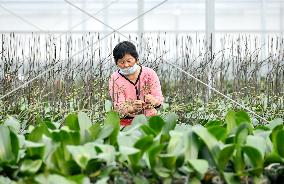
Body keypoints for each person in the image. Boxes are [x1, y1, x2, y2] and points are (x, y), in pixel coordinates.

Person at [109, 41, 164, 126]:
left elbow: (158, 99)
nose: (126, 65)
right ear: (116, 63)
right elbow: (118, 105)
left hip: (150, 120)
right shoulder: (114, 78)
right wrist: (132, 109)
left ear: (136, 60)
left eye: (129, 61)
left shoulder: (149, 74)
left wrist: (153, 101)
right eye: (122, 62)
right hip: (126, 123)